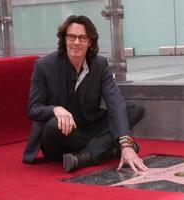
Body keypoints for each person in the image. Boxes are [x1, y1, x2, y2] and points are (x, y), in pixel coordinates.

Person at [22, 15, 148, 173]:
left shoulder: (100, 64)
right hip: (59, 136)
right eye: (71, 37)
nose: (76, 42)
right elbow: (34, 109)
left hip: (88, 126)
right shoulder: (44, 66)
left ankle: (86, 156)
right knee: (54, 124)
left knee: (134, 109)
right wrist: (55, 109)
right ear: (64, 39)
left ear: (90, 42)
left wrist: (126, 144)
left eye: (82, 37)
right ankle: (106, 148)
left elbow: (115, 101)